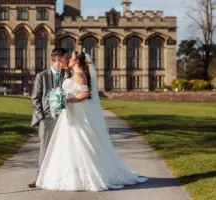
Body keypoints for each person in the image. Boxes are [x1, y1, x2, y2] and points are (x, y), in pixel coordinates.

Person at [36, 51, 148, 191]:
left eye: (71, 58)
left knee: (81, 143)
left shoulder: (79, 74)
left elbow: (84, 94)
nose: (68, 59)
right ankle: (73, 174)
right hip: (70, 113)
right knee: (68, 144)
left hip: (77, 113)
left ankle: (87, 177)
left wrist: (65, 100)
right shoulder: (74, 72)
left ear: (76, 61)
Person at [28, 48, 69, 188]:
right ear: (58, 59)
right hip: (47, 117)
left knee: (64, 148)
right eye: (66, 58)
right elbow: (35, 98)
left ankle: (61, 176)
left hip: (65, 118)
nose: (67, 60)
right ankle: (40, 177)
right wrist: (42, 117)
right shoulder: (42, 76)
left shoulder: (68, 75)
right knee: (45, 148)